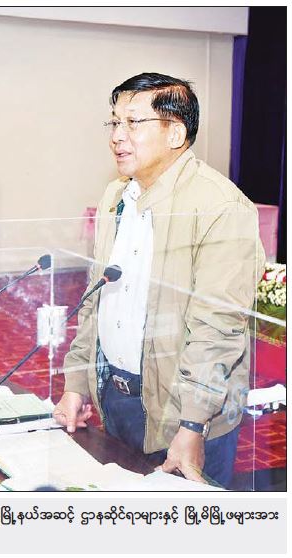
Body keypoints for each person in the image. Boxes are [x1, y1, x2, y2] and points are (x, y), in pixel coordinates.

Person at [53, 73, 263, 488]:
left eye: (133, 123)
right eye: (114, 122)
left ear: (176, 133)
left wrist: (193, 424)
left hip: (183, 414)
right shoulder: (116, 196)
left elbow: (217, 329)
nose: (117, 136)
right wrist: (77, 382)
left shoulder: (221, 207)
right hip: (115, 397)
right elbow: (96, 299)